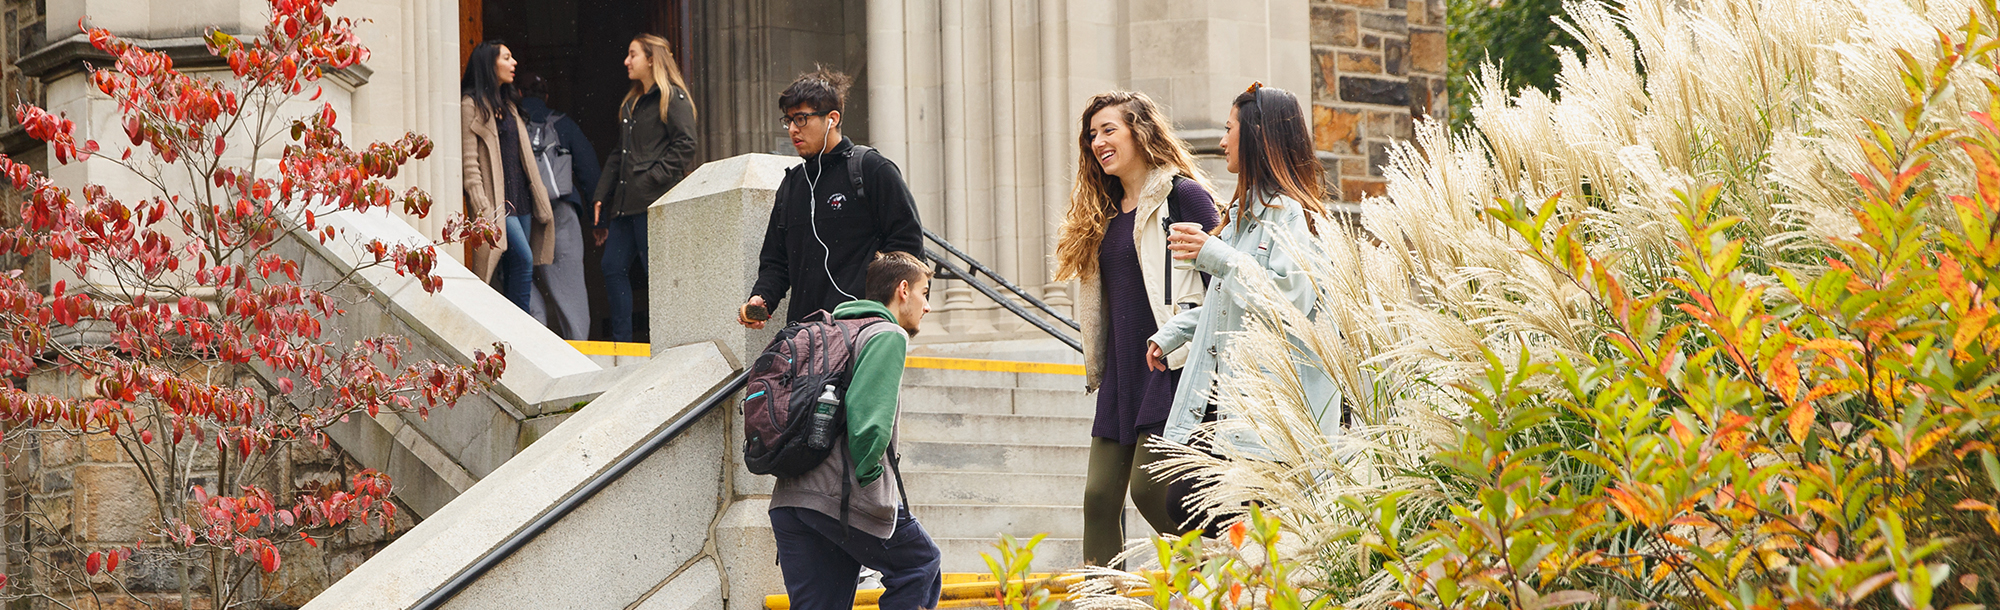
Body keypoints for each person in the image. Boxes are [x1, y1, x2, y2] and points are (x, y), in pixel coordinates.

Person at [1145, 83, 1342, 533]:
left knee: (1199, 507)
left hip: (1273, 413)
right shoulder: (1240, 217)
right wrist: (1175, 332)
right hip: (1239, 405)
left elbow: (1289, 300)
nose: (1220, 141)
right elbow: (1228, 301)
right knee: (1183, 500)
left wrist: (1213, 255)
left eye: (1229, 128)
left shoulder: (1295, 216)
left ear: (1254, 135)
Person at [1054, 91, 1223, 567]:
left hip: (1169, 367)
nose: (1098, 142)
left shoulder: (1182, 195)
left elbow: (1225, 282)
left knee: (1152, 491)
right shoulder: (1101, 212)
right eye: (1092, 135)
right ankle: (1103, 602)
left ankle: (1224, 577)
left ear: (1140, 131)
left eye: (1109, 130)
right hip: (1122, 374)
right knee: (1099, 500)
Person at [769, 250, 942, 610]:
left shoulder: (833, 329)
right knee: (920, 563)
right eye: (926, 293)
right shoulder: (886, 334)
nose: (927, 306)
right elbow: (868, 423)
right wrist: (873, 484)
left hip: (791, 499)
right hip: (842, 498)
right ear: (904, 289)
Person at [741, 68, 924, 329]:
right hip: (804, 336)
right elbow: (776, 262)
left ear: (832, 119)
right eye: (789, 120)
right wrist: (763, 299)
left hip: (861, 331)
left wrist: (877, 311)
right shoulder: (792, 185)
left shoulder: (872, 169)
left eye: (802, 119)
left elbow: (907, 246)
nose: (793, 129)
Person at [592, 33, 698, 342]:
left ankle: (668, 340)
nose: (626, 61)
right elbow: (618, 154)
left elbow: (686, 145)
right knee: (612, 266)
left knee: (658, 274)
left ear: (651, 59)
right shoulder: (631, 103)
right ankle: (623, 342)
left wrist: (653, 178)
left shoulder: (672, 97)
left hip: (654, 203)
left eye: (632, 54)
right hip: (626, 204)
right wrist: (601, 194)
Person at [460, 40, 553, 311]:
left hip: (521, 201)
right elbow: (469, 163)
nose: (514, 64)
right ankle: (520, 329)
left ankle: (507, 331)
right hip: (496, 204)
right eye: (507, 58)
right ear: (490, 64)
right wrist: (482, 207)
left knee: (514, 268)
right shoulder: (471, 105)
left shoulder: (510, 106)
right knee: (523, 260)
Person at [517, 73, 601, 340]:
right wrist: (599, 220)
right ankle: (579, 345)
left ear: (518, 93)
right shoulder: (563, 124)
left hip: (522, 210)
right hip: (561, 210)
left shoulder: (511, 120)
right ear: (547, 96)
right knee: (570, 283)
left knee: (519, 272)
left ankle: (536, 333)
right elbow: (589, 171)